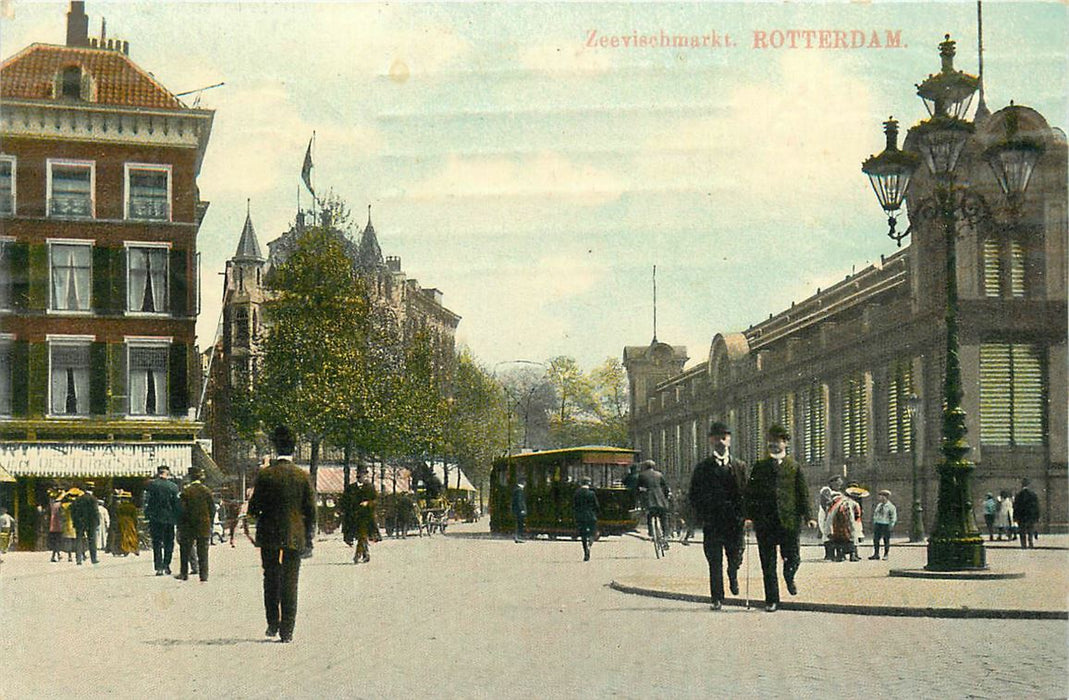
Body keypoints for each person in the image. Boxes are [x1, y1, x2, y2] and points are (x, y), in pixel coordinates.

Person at [247, 426, 316, 643]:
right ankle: (287, 631)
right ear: (294, 449)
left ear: (275, 447)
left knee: (270, 577)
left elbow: (254, 507)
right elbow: (311, 512)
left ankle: (272, 624)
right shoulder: (302, 476)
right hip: (295, 534)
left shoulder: (265, 475)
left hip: (268, 533)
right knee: (290, 581)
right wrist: (309, 538)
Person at [744, 424, 816, 612]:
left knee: (793, 557)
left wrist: (809, 516)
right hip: (765, 522)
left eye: (776, 441)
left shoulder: (794, 467)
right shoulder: (759, 467)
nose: (772, 445)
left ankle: (789, 576)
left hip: (789, 521)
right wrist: (749, 517)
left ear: (785, 443)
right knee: (768, 563)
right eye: (770, 441)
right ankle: (772, 600)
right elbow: (750, 494)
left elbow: (803, 493)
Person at [688, 421, 747, 610]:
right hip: (712, 522)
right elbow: (694, 495)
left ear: (729, 440)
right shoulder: (702, 468)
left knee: (735, 555)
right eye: (716, 438)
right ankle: (717, 597)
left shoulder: (739, 466)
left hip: (734, 522)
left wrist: (747, 516)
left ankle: (733, 573)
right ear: (710, 441)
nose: (720, 442)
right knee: (714, 561)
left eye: (724, 437)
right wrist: (700, 517)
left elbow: (746, 493)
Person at [176, 466, 215, 581]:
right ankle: (204, 575)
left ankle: (184, 573)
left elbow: (181, 510)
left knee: (185, 549)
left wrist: (180, 524)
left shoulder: (186, 491)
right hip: (204, 525)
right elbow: (212, 509)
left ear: (190, 477)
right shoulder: (207, 490)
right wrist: (210, 522)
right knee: (203, 551)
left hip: (188, 525)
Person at [144, 465, 180, 576]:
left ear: (158, 472)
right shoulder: (173, 487)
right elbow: (176, 505)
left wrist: (148, 515)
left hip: (155, 519)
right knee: (169, 543)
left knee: (157, 543)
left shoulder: (152, 485)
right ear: (167, 473)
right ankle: (166, 565)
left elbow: (147, 501)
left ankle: (158, 567)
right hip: (169, 519)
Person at [340, 468, 377, 564]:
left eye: (364, 475)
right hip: (353, 516)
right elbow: (344, 500)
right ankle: (366, 553)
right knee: (359, 536)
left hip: (366, 516)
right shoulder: (350, 488)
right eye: (361, 474)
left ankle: (357, 555)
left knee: (362, 535)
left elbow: (375, 501)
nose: (363, 477)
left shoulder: (370, 487)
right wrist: (342, 510)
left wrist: (368, 503)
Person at [636, 460, 671, 548]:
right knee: (664, 518)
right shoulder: (659, 474)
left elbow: (638, 488)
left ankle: (651, 532)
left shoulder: (642, 475)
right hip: (661, 499)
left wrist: (640, 498)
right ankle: (666, 535)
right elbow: (665, 487)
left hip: (649, 499)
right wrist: (666, 497)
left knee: (649, 515)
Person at [71, 483, 100, 565]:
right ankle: (93, 558)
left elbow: (73, 511)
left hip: (80, 522)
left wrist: (75, 521)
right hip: (91, 522)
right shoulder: (93, 499)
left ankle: (78, 559)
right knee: (92, 540)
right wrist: (97, 522)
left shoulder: (78, 499)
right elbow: (95, 512)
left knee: (79, 540)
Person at [573, 476, 600, 561]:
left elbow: (574, 506)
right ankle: (590, 543)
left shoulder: (577, 493)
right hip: (591, 516)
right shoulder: (591, 493)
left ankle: (585, 552)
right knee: (593, 532)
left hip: (580, 516)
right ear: (589, 483)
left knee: (583, 535)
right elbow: (596, 506)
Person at [818, 476, 845, 560]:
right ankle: (829, 554)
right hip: (827, 514)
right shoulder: (826, 490)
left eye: (840, 485)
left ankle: (838, 554)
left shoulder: (840, 492)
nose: (839, 486)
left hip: (836, 514)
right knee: (827, 532)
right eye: (837, 484)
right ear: (832, 483)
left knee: (836, 532)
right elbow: (827, 502)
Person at [869, 489, 898, 560]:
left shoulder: (891, 506)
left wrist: (891, 525)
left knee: (886, 540)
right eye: (880, 496)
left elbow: (893, 517)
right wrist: (874, 521)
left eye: (882, 496)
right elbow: (875, 514)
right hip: (878, 524)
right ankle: (876, 554)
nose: (880, 498)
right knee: (876, 540)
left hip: (886, 524)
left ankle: (886, 554)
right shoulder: (879, 505)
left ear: (886, 497)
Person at [1014, 478, 1041, 549]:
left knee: (1022, 531)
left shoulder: (1018, 495)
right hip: (1030, 516)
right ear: (1028, 485)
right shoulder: (1033, 494)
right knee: (1030, 530)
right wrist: (1037, 516)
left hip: (1021, 516)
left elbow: (1015, 507)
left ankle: (1023, 545)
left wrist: (1015, 517)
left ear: (1021, 485)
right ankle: (1030, 543)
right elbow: (1036, 506)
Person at [114, 490, 140, 556]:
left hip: (122, 522)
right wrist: (135, 524)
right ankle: (133, 548)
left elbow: (117, 515)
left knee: (123, 535)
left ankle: (123, 549)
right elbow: (134, 517)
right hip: (130, 523)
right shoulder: (132, 507)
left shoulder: (119, 507)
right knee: (132, 536)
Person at [49, 492, 65, 562]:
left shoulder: (52, 505)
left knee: (55, 541)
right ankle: (56, 555)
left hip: (52, 525)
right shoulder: (60, 505)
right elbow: (62, 515)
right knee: (58, 541)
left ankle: (56, 555)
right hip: (59, 525)